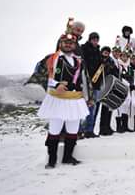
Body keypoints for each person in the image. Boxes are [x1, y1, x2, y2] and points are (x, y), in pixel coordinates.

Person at [37, 34, 90, 169]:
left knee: (73, 130)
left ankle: (67, 157)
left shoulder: (79, 61)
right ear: (60, 43)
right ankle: (52, 159)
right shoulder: (52, 59)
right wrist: (56, 85)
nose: (68, 45)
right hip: (58, 100)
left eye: (71, 43)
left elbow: (83, 81)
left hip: (74, 100)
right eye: (65, 42)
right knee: (55, 129)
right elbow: (42, 76)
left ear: (75, 45)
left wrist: (87, 97)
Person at [80, 32, 101, 138]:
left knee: (92, 107)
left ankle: (89, 129)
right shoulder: (83, 49)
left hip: (96, 82)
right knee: (82, 106)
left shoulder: (98, 51)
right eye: (93, 39)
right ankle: (79, 129)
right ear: (89, 39)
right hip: (85, 81)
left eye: (97, 39)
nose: (95, 41)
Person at [97, 46, 119, 136]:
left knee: (108, 106)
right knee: (102, 107)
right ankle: (102, 128)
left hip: (109, 85)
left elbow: (114, 71)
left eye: (107, 52)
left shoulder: (111, 61)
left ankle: (107, 126)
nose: (106, 53)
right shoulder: (99, 59)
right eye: (104, 52)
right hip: (101, 85)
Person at [115, 49, 133, 133]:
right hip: (121, 87)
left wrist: (132, 84)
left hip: (128, 88)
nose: (124, 58)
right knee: (120, 105)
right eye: (123, 56)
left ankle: (125, 125)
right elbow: (119, 77)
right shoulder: (119, 65)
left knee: (127, 104)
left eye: (126, 56)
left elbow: (131, 77)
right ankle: (119, 126)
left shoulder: (129, 66)